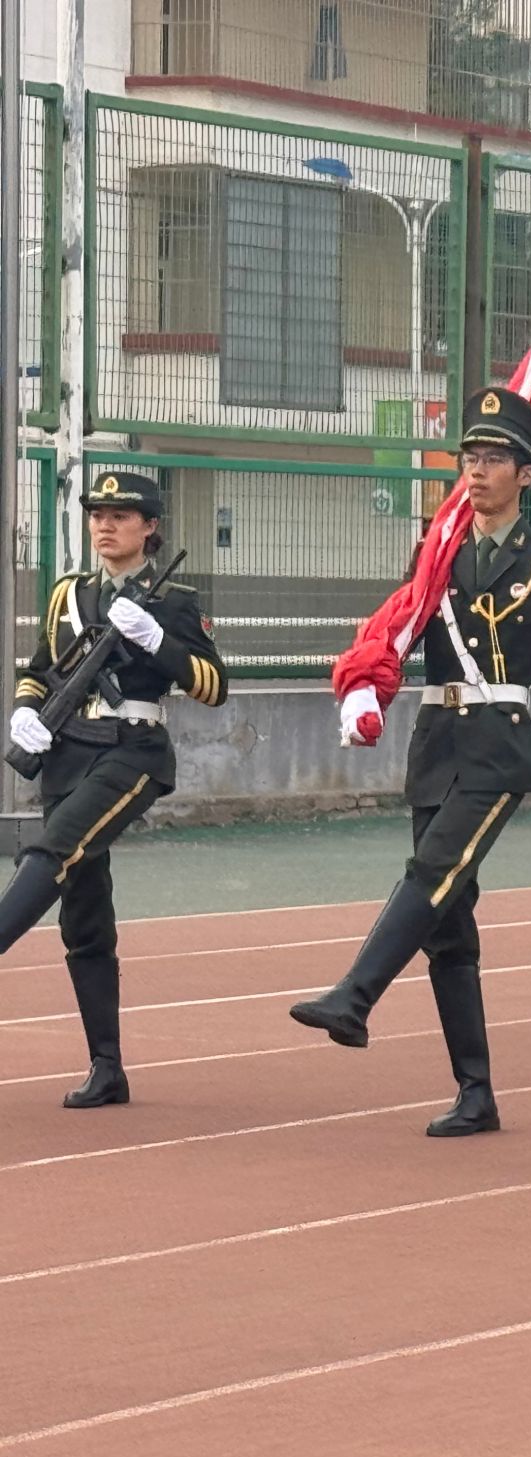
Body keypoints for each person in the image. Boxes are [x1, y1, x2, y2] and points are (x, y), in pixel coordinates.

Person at [290, 387, 531, 1136]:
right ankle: (475, 1092)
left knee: (431, 872)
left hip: (498, 745)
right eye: (469, 457)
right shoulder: (436, 549)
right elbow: (400, 628)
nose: (476, 470)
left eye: (493, 458)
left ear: (525, 474)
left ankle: (355, 995)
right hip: (435, 740)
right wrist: (364, 687)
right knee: (447, 922)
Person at [2, 471, 228, 1107]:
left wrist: (158, 643)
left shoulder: (174, 601)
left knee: (55, 847)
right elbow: (40, 670)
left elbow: (214, 686)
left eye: (121, 515)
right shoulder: (69, 594)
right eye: (98, 514)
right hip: (67, 753)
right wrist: (25, 711)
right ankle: (108, 1068)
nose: (105, 524)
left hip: (133, 752)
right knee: (84, 911)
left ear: (150, 527)